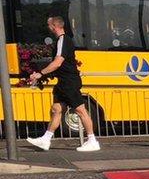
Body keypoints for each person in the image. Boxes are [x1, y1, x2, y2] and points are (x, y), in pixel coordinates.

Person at [26, 16, 100, 152]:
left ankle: (92, 140)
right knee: (56, 109)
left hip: (69, 82)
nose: (48, 28)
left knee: (80, 110)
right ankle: (46, 139)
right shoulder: (61, 40)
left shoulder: (63, 40)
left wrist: (40, 73)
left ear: (54, 26)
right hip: (63, 82)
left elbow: (57, 62)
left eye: (49, 25)